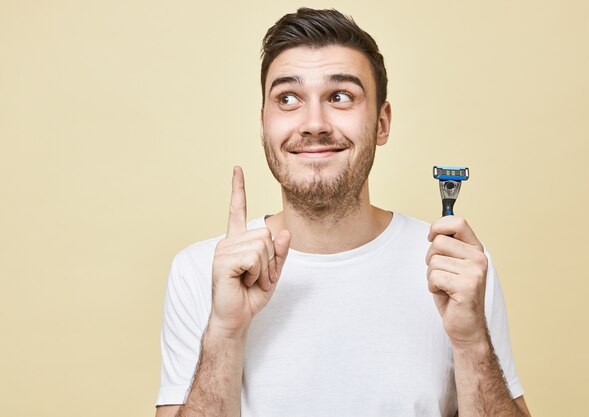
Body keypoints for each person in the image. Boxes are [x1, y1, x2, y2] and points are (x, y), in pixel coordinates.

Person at [155, 7, 531, 417]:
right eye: (288, 99)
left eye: (340, 97)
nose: (314, 123)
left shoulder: (455, 268)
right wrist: (224, 333)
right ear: (264, 123)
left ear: (382, 123)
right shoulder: (201, 272)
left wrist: (472, 341)